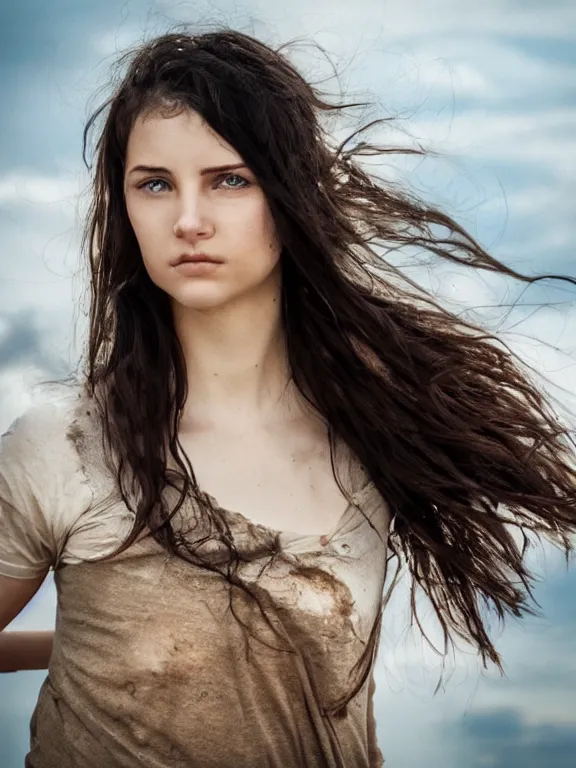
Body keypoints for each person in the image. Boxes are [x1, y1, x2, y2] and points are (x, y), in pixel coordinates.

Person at [0, 26, 575, 768]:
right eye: (154, 183)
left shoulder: (372, 436)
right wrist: (82, 644)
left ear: (291, 192)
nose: (188, 220)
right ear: (124, 204)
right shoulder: (63, 449)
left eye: (229, 179)